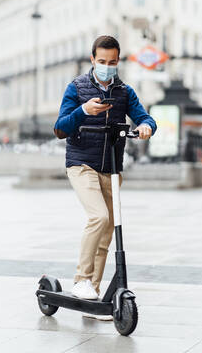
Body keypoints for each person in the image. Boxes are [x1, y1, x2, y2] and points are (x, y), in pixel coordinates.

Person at [54, 35, 157, 320]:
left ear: (118, 61)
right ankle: (81, 280)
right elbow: (60, 128)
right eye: (102, 62)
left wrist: (147, 126)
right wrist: (83, 110)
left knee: (107, 230)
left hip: (112, 168)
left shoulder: (124, 92)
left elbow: (145, 118)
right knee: (98, 217)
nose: (107, 67)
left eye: (112, 62)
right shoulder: (77, 88)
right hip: (81, 164)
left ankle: (94, 296)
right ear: (92, 60)